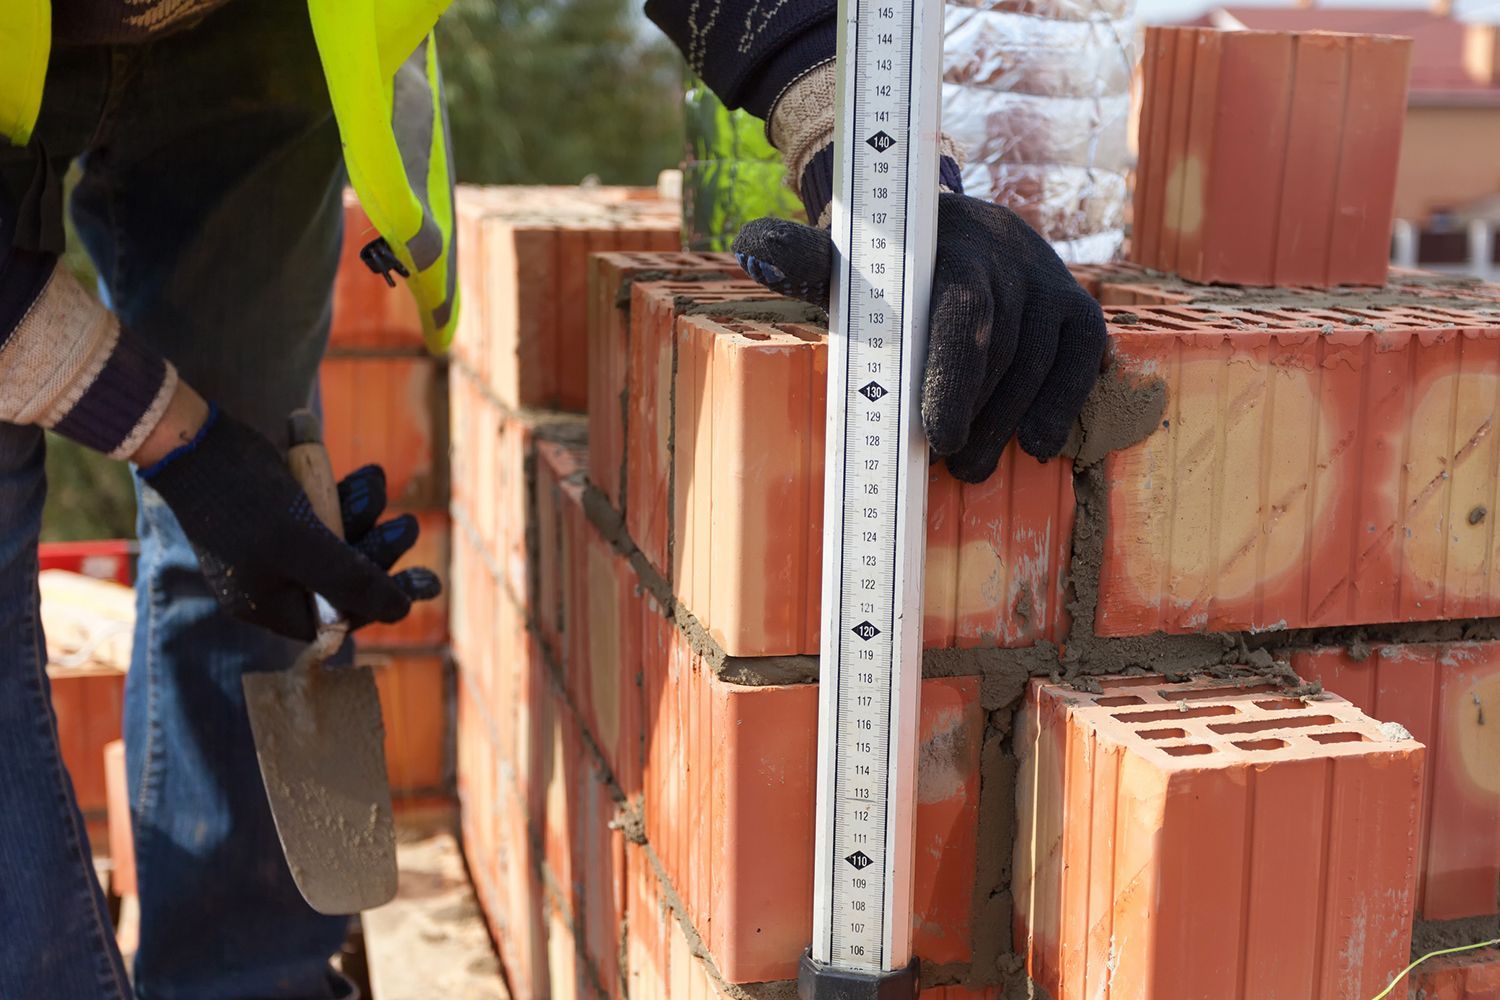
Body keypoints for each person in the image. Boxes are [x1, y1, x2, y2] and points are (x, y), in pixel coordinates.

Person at [0, 1, 1103, 997]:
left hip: (250, 34)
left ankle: (242, 982)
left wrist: (884, 175)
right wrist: (178, 445)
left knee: (253, 555)